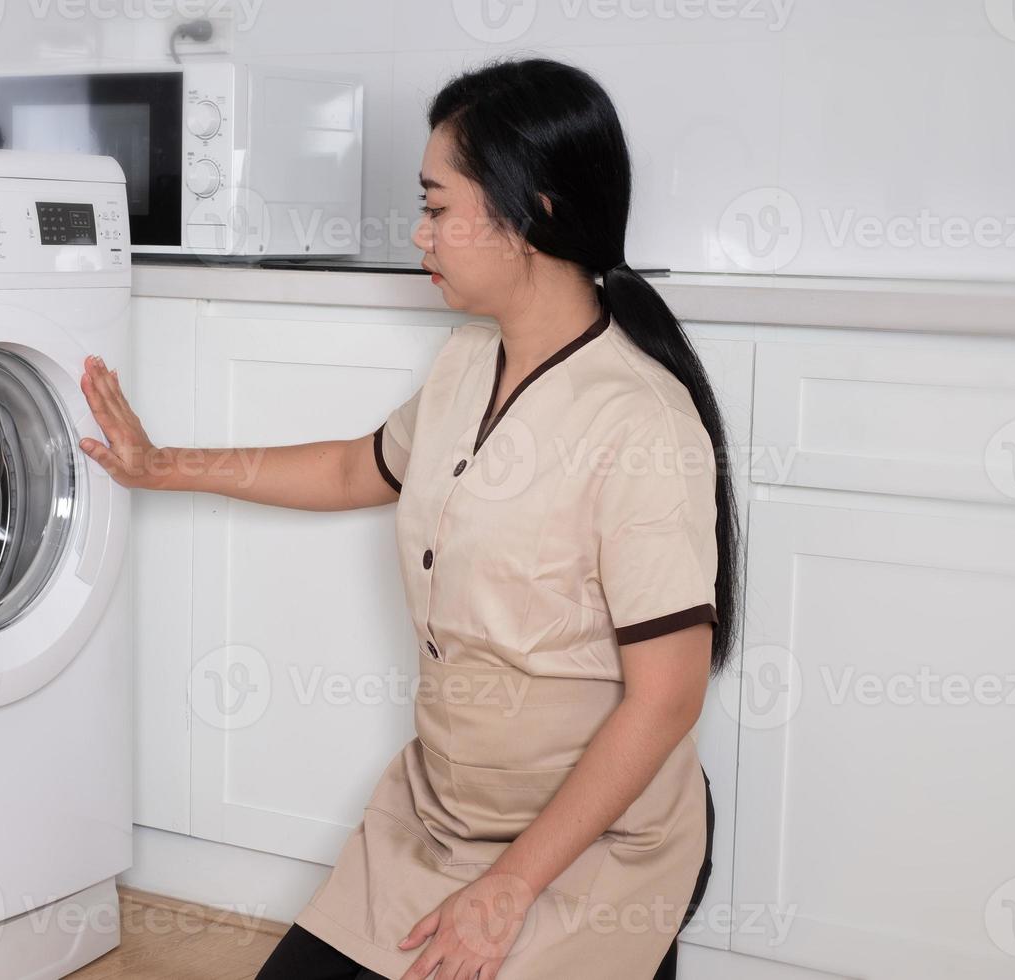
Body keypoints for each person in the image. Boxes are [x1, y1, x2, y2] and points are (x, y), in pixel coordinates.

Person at [76, 55, 738, 980]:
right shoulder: (469, 364)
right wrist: (162, 465)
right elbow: (359, 465)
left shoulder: (640, 422)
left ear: (533, 213)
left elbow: (667, 698)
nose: (419, 233)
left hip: (590, 846)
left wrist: (507, 893)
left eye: (435, 205)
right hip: (440, 822)